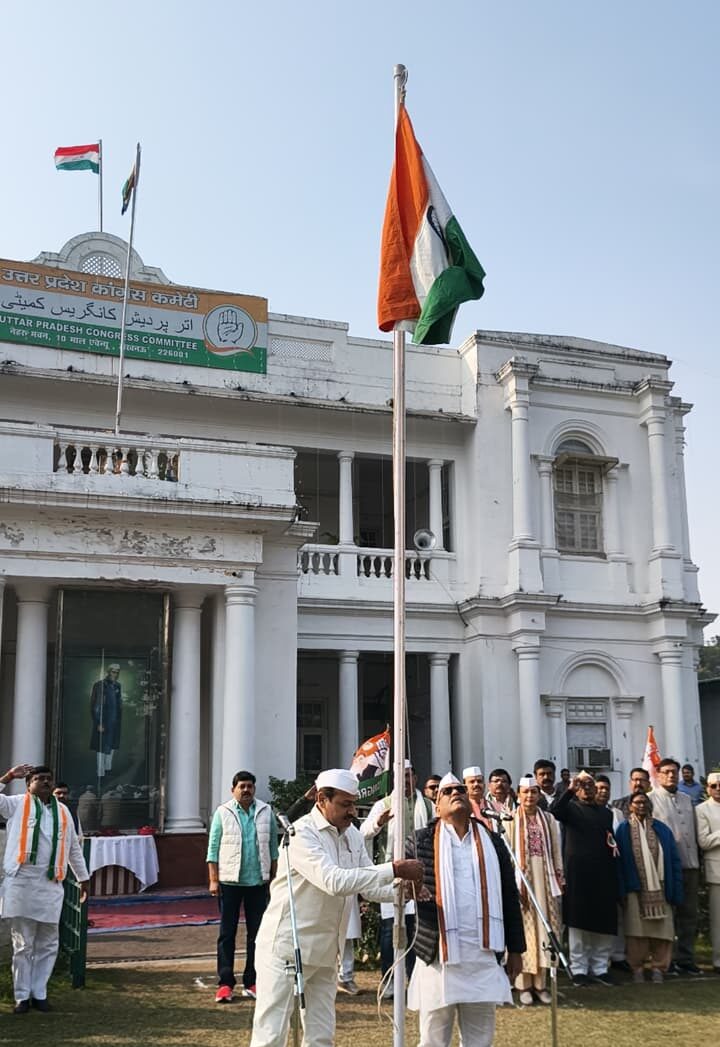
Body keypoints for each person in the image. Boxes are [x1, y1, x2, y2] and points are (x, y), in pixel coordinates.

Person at [249, 768, 423, 1047]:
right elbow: (333, 881)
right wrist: (394, 868)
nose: (352, 811)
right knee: (271, 1034)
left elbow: (366, 886)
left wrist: (403, 892)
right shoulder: (301, 834)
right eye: (345, 804)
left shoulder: (351, 834)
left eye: (354, 803)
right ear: (321, 799)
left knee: (321, 1036)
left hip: (327, 950)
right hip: (286, 948)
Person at [406, 773, 525, 1047]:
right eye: (447, 791)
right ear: (437, 806)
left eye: (460, 789)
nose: (456, 793)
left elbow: (509, 896)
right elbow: (405, 888)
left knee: (480, 1037)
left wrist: (516, 949)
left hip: (482, 955)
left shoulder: (493, 842)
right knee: (433, 1037)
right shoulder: (419, 841)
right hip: (438, 955)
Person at [0, 763, 90, 1014]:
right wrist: (7, 777)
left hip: (51, 883)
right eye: (39, 779)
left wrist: (84, 878)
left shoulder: (63, 812)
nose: (45, 782)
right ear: (28, 784)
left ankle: (39, 993)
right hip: (21, 881)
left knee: (49, 942)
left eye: (48, 779)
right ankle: (21, 996)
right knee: (23, 943)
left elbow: (73, 847)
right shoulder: (16, 804)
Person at [361, 759, 433, 992]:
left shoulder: (429, 805)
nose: (406, 780)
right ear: (394, 780)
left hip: (421, 873)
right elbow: (363, 834)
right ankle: (390, 981)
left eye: (410, 775)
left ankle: (413, 981)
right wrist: (379, 823)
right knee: (389, 928)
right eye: (401, 776)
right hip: (391, 872)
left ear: (416, 778)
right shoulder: (383, 804)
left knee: (415, 927)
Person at [207, 770, 278, 1003]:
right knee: (227, 933)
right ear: (233, 789)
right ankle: (225, 983)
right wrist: (213, 879)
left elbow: (273, 848)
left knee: (257, 934)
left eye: (250, 786)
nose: (246, 790)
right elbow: (213, 848)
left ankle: (252, 980)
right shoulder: (223, 812)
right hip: (229, 882)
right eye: (242, 786)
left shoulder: (265, 811)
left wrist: (273, 879)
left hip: (257, 882)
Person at [552, 771, 619, 986]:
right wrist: (570, 789)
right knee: (578, 924)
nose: (587, 788)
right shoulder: (570, 809)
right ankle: (579, 968)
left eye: (591, 784)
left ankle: (599, 967)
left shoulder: (606, 814)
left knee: (603, 922)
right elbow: (555, 810)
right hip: (578, 875)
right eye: (583, 785)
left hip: (603, 874)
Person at [507, 776, 564, 1005]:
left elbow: (557, 852)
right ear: (518, 795)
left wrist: (560, 879)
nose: (530, 796)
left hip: (546, 880)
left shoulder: (549, 820)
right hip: (522, 880)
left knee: (545, 930)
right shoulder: (509, 819)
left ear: (539, 795)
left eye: (534, 792)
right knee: (525, 932)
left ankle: (541, 985)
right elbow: (508, 854)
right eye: (525, 792)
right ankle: (524, 985)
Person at [615, 793, 683, 983]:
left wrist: (676, 890)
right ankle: (637, 968)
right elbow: (618, 862)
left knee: (663, 931)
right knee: (637, 932)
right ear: (630, 806)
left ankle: (659, 968)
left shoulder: (662, 830)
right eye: (637, 802)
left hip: (662, 887)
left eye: (644, 802)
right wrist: (622, 890)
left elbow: (674, 860)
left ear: (650, 805)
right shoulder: (623, 830)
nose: (641, 805)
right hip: (635, 888)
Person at [649, 758, 702, 974]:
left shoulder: (687, 800)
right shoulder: (652, 799)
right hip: (667, 867)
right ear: (659, 774)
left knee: (689, 914)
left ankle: (686, 958)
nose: (671, 776)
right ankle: (665, 960)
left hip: (690, 864)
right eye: (667, 772)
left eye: (675, 772)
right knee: (667, 915)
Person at [695, 770, 720, 973]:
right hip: (717, 872)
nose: (718, 789)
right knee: (718, 920)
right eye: (714, 786)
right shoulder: (702, 809)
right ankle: (718, 960)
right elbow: (704, 841)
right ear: (708, 789)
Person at [89, 663, 122, 779]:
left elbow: (118, 704)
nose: (116, 674)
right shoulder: (100, 685)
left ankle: (108, 769)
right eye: (113, 671)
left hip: (114, 721)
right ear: (109, 672)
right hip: (104, 720)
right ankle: (100, 772)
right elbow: (96, 705)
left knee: (112, 745)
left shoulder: (117, 686)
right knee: (101, 746)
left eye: (117, 672)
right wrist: (99, 722)